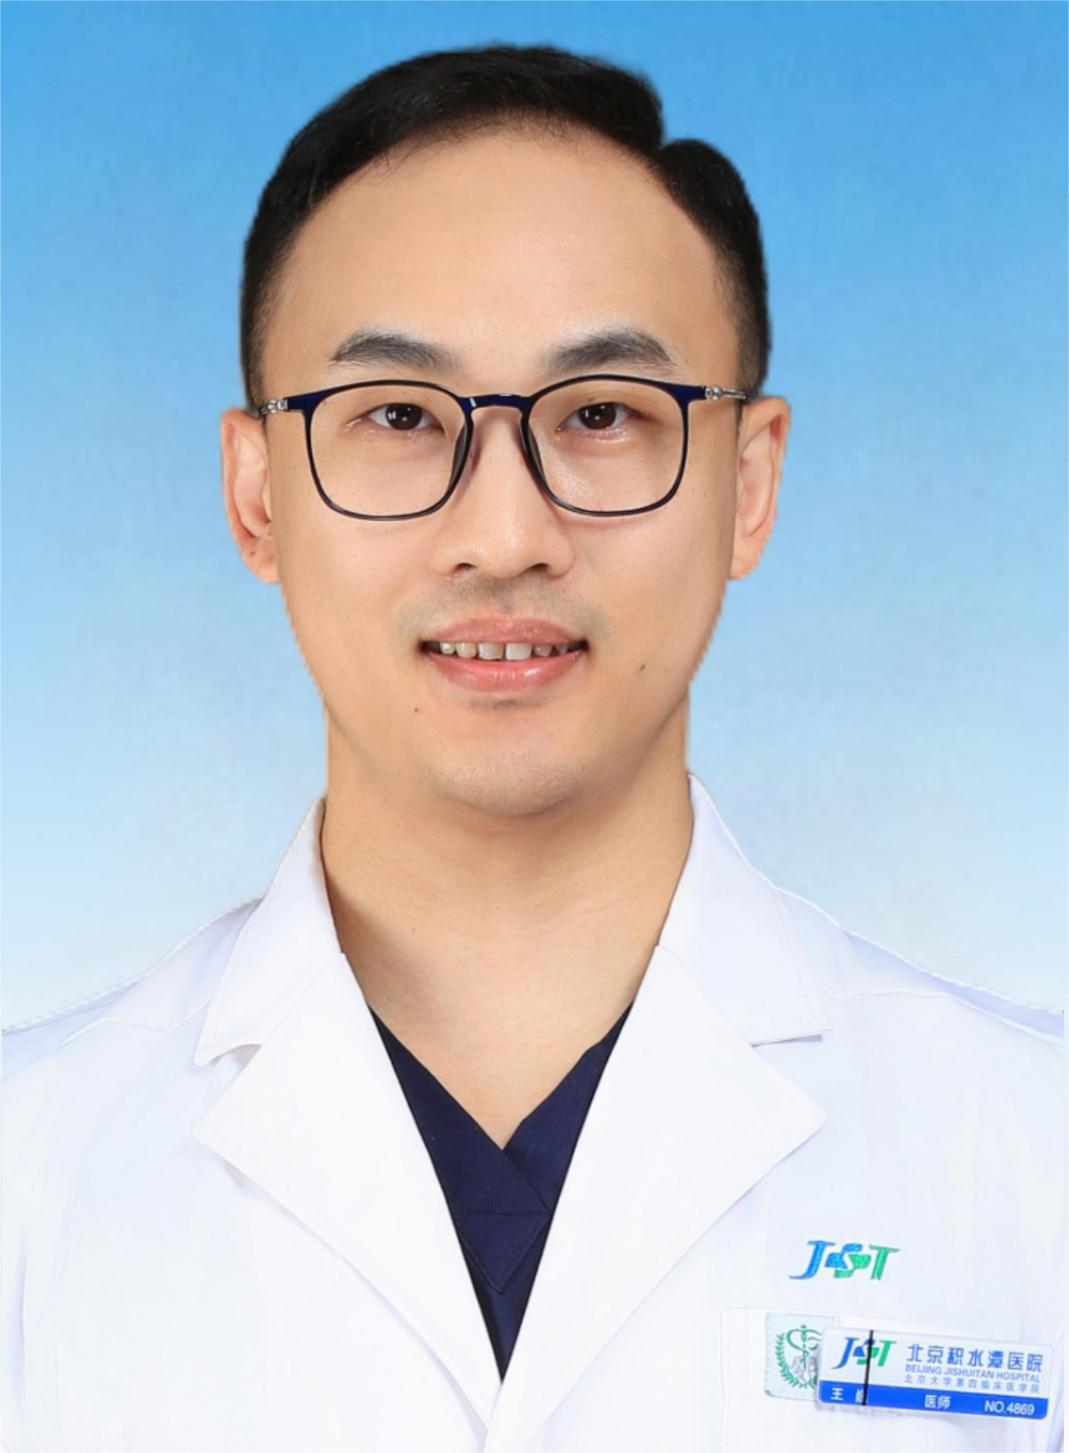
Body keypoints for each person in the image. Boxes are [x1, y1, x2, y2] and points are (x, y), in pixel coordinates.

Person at [2, 41, 1063, 1453]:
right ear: (255, 497)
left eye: (603, 415)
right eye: (395, 416)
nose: (504, 536)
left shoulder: (1033, 1157)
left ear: (749, 485)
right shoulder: (27, 1171)